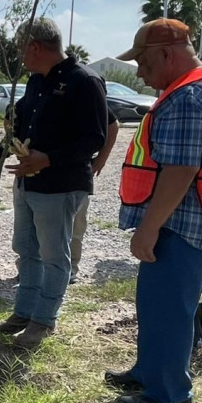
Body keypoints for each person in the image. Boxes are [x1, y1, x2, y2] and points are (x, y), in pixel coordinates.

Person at [106, 19, 202, 403]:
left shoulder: (187, 98)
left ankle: (170, 398)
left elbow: (180, 171)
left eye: (144, 63)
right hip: (186, 218)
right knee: (155, 303)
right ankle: (150, 372)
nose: (141, 74)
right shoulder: (198, 87)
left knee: (168, 310)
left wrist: (148, 227)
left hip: (181, 222)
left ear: (167, 53)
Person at [0, 18, 107, 348]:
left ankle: (43, 321)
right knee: (26, 249)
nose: (20, 56)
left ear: (35, 47)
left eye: (20, 49)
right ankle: (24, 312)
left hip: (62, 184)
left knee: (55, 255)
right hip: (28, 182)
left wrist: (48, 159)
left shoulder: (84, 81)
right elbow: (21, 124)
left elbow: (94, 137)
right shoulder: (35, 81)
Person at [69, 109, 120, 283]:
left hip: (77, 171)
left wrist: (102, 159)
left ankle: (70, 268)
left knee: (76, 223)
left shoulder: (85, 87)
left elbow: (113, 125)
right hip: (44, 170)